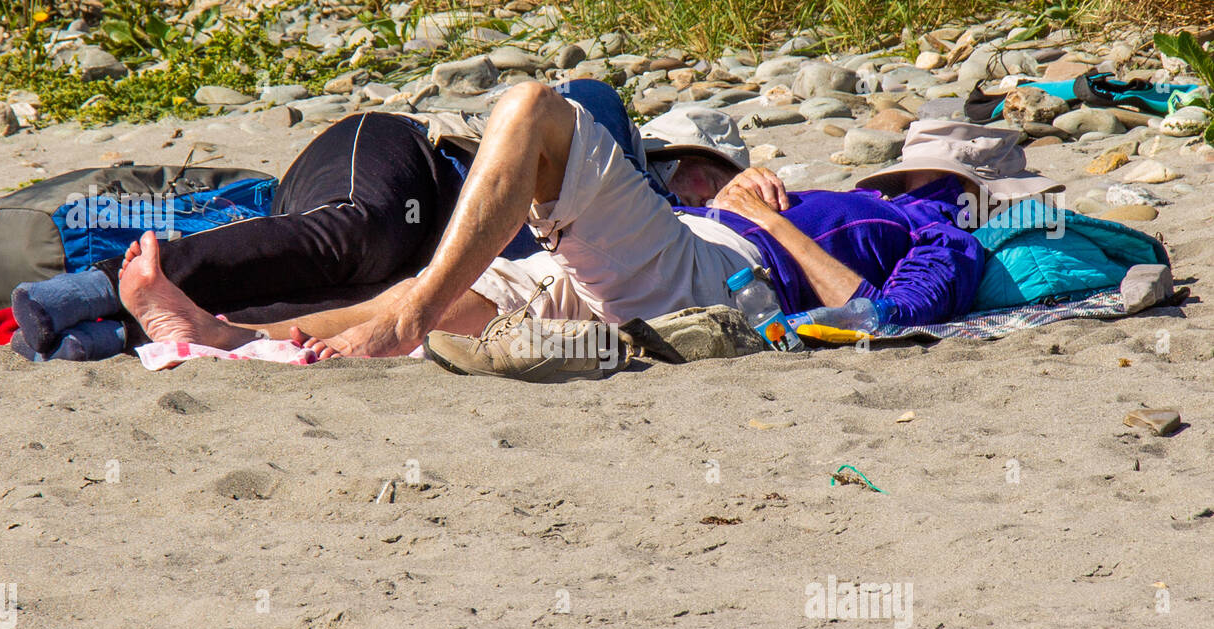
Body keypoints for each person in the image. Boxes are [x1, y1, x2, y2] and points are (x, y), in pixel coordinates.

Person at [116, 81, 997, 377]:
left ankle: (406, 315)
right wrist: (737, 202)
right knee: (452, 301)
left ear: (961, 192)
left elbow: (884, 318)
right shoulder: (814, 194)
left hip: (722, 280)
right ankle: (221, 335)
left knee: (537, 109)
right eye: (909, 169)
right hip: (658, 267)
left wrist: (759, 220)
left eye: (929, 176)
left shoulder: (936, 231)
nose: (911, 182)